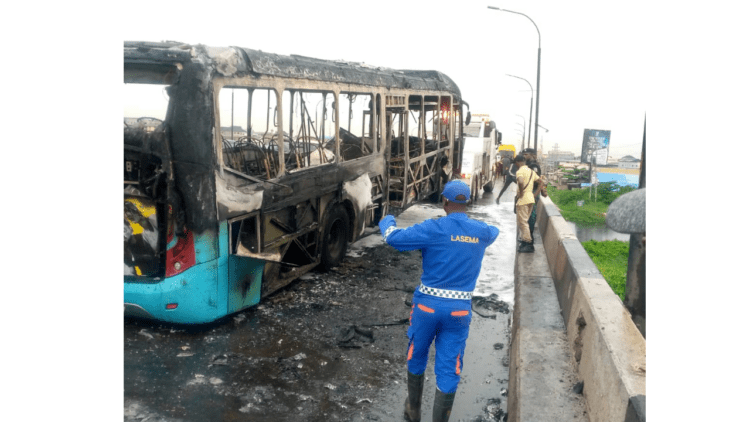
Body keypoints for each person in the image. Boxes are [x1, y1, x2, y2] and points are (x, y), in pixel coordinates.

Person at [379, 180, 499, 422]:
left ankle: (413, 409)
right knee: (449, 366)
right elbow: (493, 232)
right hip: (459, 312)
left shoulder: (433, 228)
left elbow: (394, 239)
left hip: (426, 307)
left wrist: (387, 220)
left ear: (444, 201)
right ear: (466, 202)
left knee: (417, 354)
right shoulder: (482, 232)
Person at [514, 154, 540, 253]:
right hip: (531, 200)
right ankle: (525, 242)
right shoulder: (531, 171)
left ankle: (528, 243)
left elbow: (520, 182)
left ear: (518, 162)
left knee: (523, 222)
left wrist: (520, 193)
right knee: (526, 221)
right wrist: (535, 194)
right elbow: (541, 182)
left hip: (523, 200)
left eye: (516, 163)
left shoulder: (519, 171)